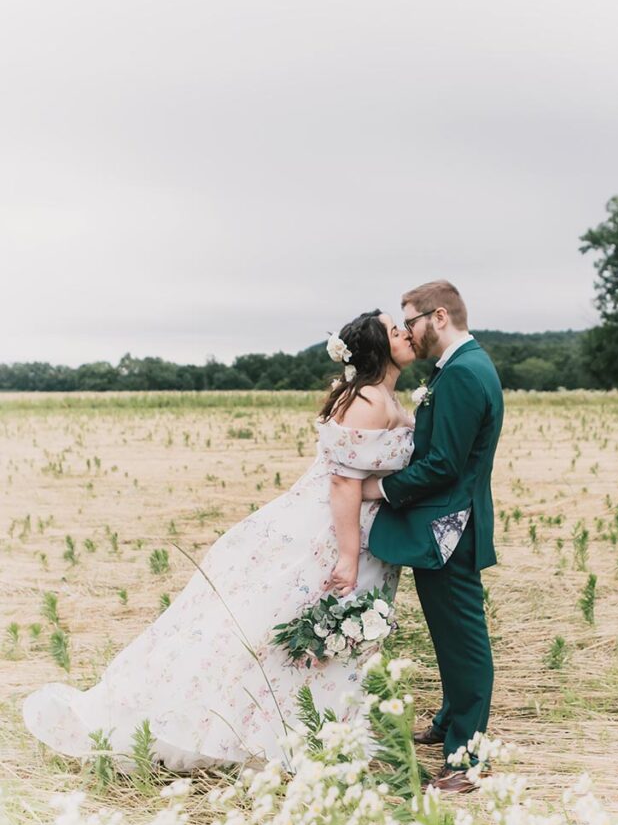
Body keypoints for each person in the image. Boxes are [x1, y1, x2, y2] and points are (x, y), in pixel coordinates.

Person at [22, 311, 416, 772]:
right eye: (395, 330)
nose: (405, 333)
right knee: (289, 624)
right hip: (330, 530)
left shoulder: (381, 394)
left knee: (312, 627)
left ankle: (317, 729)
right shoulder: (369, 398)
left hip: (351, 523)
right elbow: (343, 483)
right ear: (376, 348)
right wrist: (348, 557)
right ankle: (263, 731)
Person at [364, 280, 504, 794]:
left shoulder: (466, 373)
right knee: (448, 634)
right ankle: (450, 720)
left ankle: (466, 760)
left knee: (465, 643)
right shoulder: (461, 368)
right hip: (446, 523)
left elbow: (445, 464)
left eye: (411, 321)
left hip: (452, 527)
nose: (408, 332)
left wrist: (380, 487)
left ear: (439, 317)